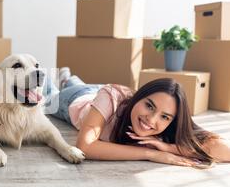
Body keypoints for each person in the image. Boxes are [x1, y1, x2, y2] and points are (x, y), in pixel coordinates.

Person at [44, 68, 230, 168]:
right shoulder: (112, 95)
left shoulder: (166, 130)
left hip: (98, 96)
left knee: (80, 85)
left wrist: (169, 147)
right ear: (137, 98)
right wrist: (152, 154)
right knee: (49, 96)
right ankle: (66, 79)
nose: (151, 120)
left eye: (164, 117)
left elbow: (225, 150)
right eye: (149, 106)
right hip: (76, 100)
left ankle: (70, 76)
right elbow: (85, 146)